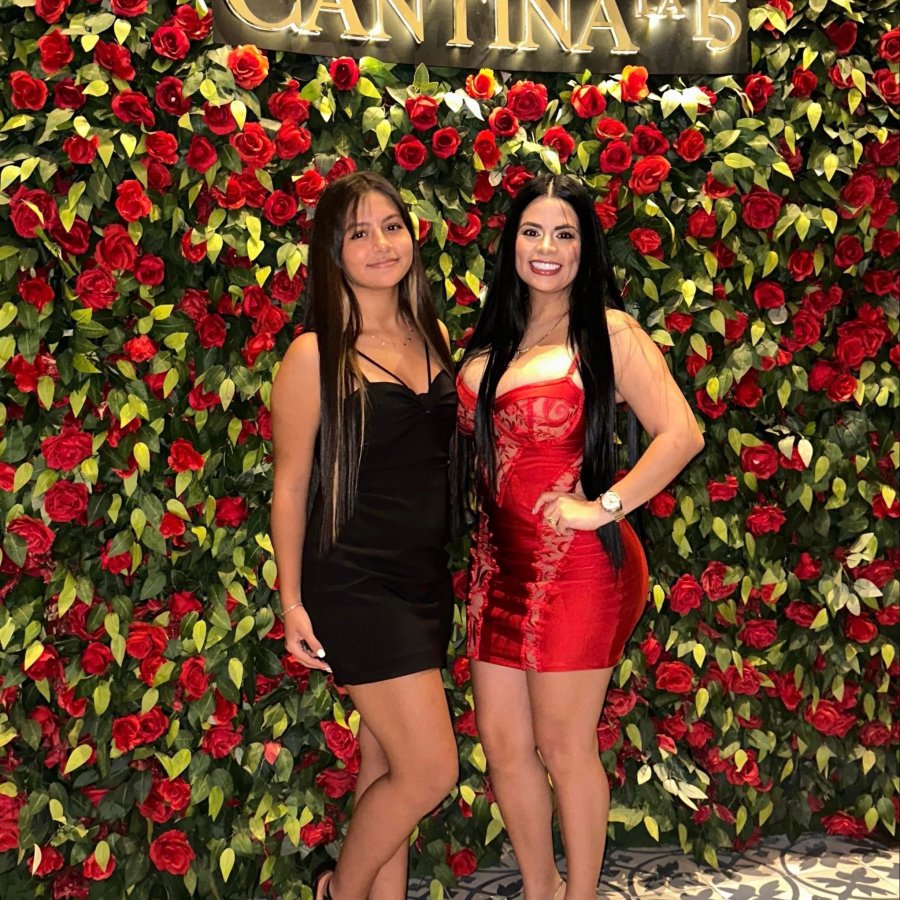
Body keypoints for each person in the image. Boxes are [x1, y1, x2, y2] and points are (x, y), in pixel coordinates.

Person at [456, 173, 704, 900]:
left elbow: (681, 434)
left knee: (564, 746)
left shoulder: (609, 330)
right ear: (511, 244)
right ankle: (542, 888)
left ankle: (581, 893)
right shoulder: (494, 335)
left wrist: (605, 506)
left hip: (579, 569)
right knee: (505, 746)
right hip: (496, 566)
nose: (547, 247)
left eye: (564, 233)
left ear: (585, 248)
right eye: (532, 231)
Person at [270, 171, 459, 900]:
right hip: (354, 581)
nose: (382, 244)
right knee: (430, 772)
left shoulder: (432, 335)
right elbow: (291, 487)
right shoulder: (314, 354)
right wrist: (292, 603)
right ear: (333, 251)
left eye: (392, 226)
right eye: (359, 232)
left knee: (386, 766)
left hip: (423, 579)